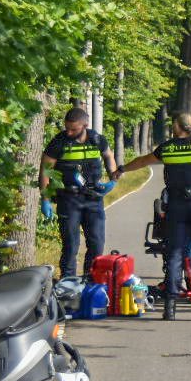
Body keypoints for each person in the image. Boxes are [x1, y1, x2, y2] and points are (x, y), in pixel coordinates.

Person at [117, 113, 191, 321]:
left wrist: (122, 169)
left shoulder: (166, 148)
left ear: (178, 127)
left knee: (175, 255)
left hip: (176, 207)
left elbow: (143, 161)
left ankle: (169, 309)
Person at [39, 107, 118, 280]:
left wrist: (113, 179)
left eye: (73, 129)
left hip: (93, 199)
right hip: (68, 200)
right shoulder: (59, 142)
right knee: (70, 245)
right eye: (67, 128)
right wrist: (45, 198)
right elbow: (45, 170)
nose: (68, 132)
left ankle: (90, 279)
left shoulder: (97, 139)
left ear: (85, 126)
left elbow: (109, 157)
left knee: (97, 244)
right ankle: (68, 284)